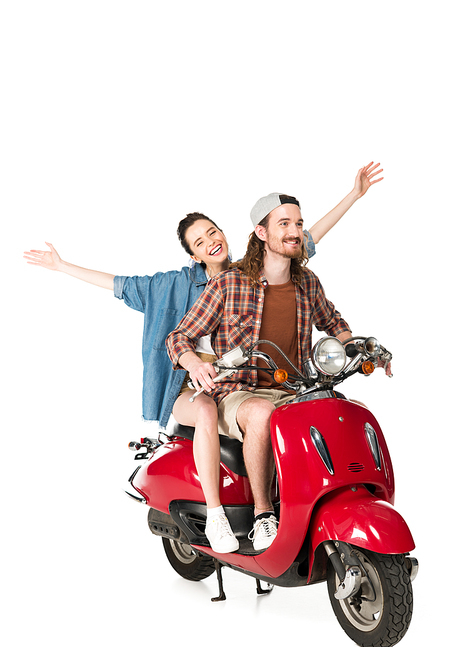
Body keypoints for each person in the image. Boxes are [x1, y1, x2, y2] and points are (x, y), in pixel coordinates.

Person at [23, 162, 383, 552]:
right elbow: (133, 295)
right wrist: (61, 266)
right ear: (195, 253)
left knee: (348, 409)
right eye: (200, 241)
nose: (210, 241)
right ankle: (240, 514)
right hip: (217, 385)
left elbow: (305, 248)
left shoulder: (279, 270)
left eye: (213, 231)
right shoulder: (195, 284)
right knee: (225, 413)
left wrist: (354, 195)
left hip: (286, 383)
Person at [167, 188, 389, 553]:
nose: (294, 231)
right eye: (284, 223)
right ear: (261, 232)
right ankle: (264, 515)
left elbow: (335, 324)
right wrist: (193, 363)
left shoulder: (307, 283)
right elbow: (180, 336)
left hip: (293, 388)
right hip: (237, 392)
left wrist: (366, 349)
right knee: (261, 412)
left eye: (299, 224)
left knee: (344, 409)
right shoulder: (229, 282)